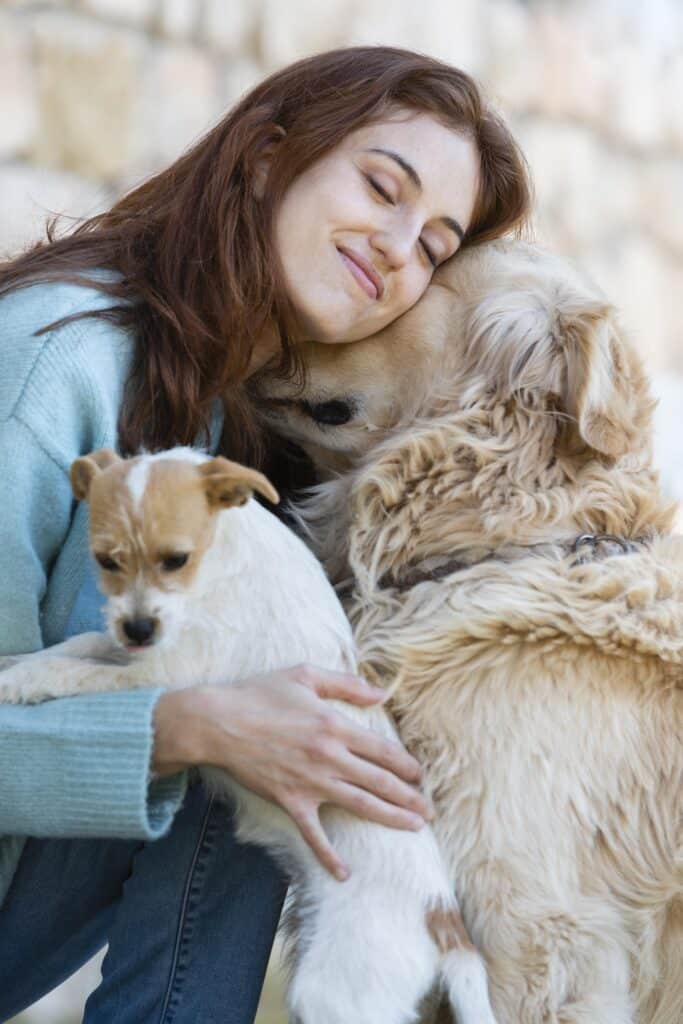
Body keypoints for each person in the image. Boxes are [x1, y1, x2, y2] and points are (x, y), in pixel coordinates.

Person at [0, 46, 531, 1023]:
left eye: (432, 247)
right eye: (381, 187)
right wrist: (192, 726)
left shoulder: (228, 427)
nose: (396, 247)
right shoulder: (51, 366)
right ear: (263, 158)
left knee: (290, 722)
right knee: (261, 717)